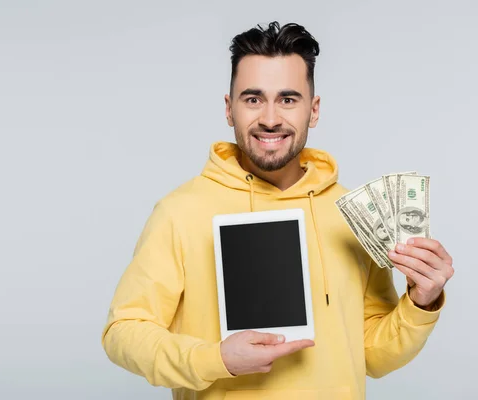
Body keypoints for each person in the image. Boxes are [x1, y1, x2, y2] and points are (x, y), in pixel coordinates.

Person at [101, 21, 454, 399]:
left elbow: (371, 353)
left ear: (313, 110)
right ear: (228, 108)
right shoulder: (180, 212)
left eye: (288, 99)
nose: (270, 118)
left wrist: (421, 302)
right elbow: (123, 332)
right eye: (253, 99)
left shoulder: (349, 215)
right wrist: (213, 358)